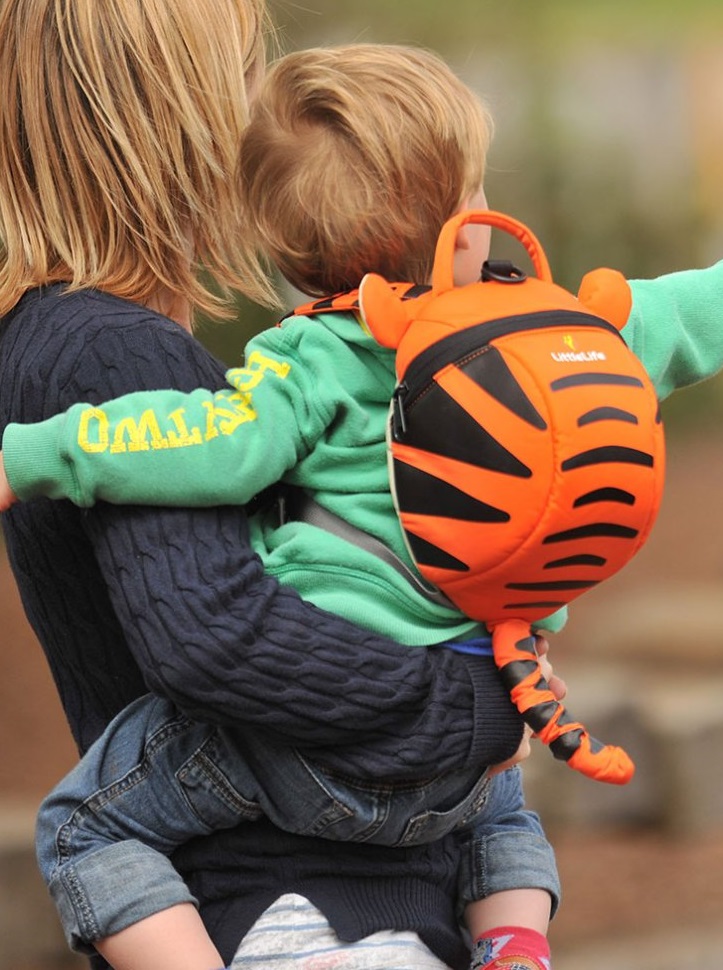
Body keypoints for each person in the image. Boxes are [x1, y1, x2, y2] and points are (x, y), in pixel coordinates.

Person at [0, 39, 723, 970]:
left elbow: (191, 444)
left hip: (299, 763)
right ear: (468, 228)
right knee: (506, 804)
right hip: (473, 743)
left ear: (286, 249)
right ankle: (514, 940)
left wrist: (36, 453)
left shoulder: (304, 367)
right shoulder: (545, 328)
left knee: (83, 828)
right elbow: (671, 316)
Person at [0, 7, 541, 970]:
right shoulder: (116, 354)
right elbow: (217, 635)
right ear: (174, 112)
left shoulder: (85, 343)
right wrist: (482, 704)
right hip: (295, 914)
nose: (265, 105)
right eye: (245, 71)